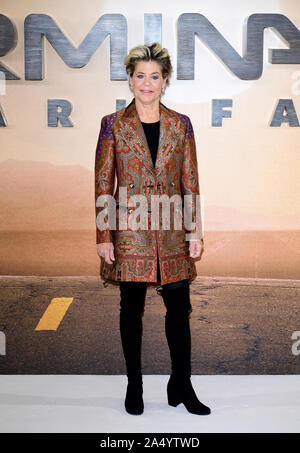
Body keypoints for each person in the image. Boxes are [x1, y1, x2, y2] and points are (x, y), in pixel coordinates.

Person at [95, 43, 211, 416]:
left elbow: (190, 180)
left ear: (165, 81)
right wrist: (103, 235)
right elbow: (103, 183)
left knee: (179, 308)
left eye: (155, 76)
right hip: (130, 230)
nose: (147, 83)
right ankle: (135, 384)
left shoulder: (181, 124)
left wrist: (194, 231)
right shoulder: (112, 124)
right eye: (140, 75)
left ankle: (182, 383)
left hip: (173, 229)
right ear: (130, 79)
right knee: (131, 309)